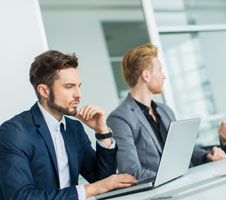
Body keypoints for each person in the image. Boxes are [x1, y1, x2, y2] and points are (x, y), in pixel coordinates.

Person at [0, 50, 137, 200]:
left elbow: (102, 181)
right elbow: (20, 197)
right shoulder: (13, 133)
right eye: (69, 86)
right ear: (44, 91)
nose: (79, 94)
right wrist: (92, 189)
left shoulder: (74, 128)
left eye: (79, 86)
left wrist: (102, 132)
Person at [107, 43, 226, 180]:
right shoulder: (119, 118)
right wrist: (174, 178)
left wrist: (208, 156)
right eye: (160, 70)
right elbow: (131, 172)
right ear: (146, 75)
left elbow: (184, 151)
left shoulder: (165, 111)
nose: (164, 76)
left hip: (188, 184)